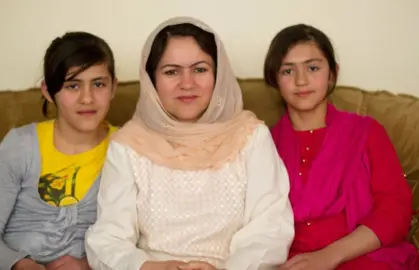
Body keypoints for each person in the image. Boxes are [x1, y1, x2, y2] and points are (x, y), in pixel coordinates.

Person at [84, 16, 294, 270]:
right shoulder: (128, 145)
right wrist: (153, 268)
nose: (187, 84)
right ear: (152, 81)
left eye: (200, 69)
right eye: (171, 71)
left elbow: (270, 227)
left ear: (218, 74)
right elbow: (109, 238)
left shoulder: (251, 136)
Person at [264, 23, 419, 270]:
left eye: (313, 67)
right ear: (274, 78)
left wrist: (329, 256)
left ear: (333, 74)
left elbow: (395, 210)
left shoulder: (366, 132)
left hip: (360, 257)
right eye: (287, 71)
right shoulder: (262, 143)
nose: (301, 80)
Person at [0, 31, 119, 270]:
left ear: (113, 87)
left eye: (98, 84)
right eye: (73, 85)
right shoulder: (20, 145)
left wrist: (87, 265)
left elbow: (136, 239)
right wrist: (20, 265)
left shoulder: (127, 148)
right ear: (48, 92)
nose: (87, 98)